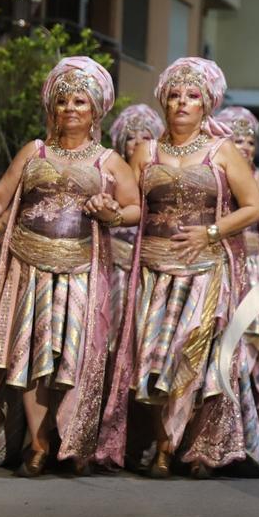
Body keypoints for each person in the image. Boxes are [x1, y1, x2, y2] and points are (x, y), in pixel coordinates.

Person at [0, 57, 139, 477]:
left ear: (95, 110)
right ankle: (37, 443)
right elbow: (0, 197)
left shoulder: (109, 161)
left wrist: (111, 213)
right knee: (29, 355)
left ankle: (66, 437)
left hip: (79, 274)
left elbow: (135, 209)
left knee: (69, 358)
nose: (70, 108)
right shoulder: (33, 151)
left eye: (80, 101)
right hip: (28, 268)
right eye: (62, 101)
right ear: (51, 108)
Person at [103, 57, 259, 479]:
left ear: (207, 105)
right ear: (164, 101)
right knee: (154, 358)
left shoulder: (223, 151)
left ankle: (169, 449)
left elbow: (253, 206)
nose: (182, 102)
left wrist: (213, 232)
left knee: (191, 353)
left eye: (192, 96)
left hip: (205, 270)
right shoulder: (147, 151)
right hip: (153, 272)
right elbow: (134, 211)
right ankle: (165, 441)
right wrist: (109, 213)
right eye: (175, 95)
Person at [216, 105, 259, 409]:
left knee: (252, 332)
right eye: (238, 141)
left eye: (250, 142)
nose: (245, 147)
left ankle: (248, 402)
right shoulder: (217, 174)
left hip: (253, 264)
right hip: (223, 261)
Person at [106, 104, 164, 351]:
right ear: (120, 142)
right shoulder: (107, 173)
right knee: (110, 336)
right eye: (130, 137)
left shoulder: (164, 178)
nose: (138, 143)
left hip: (152, 268)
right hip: (114, 266)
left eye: (146, 137)